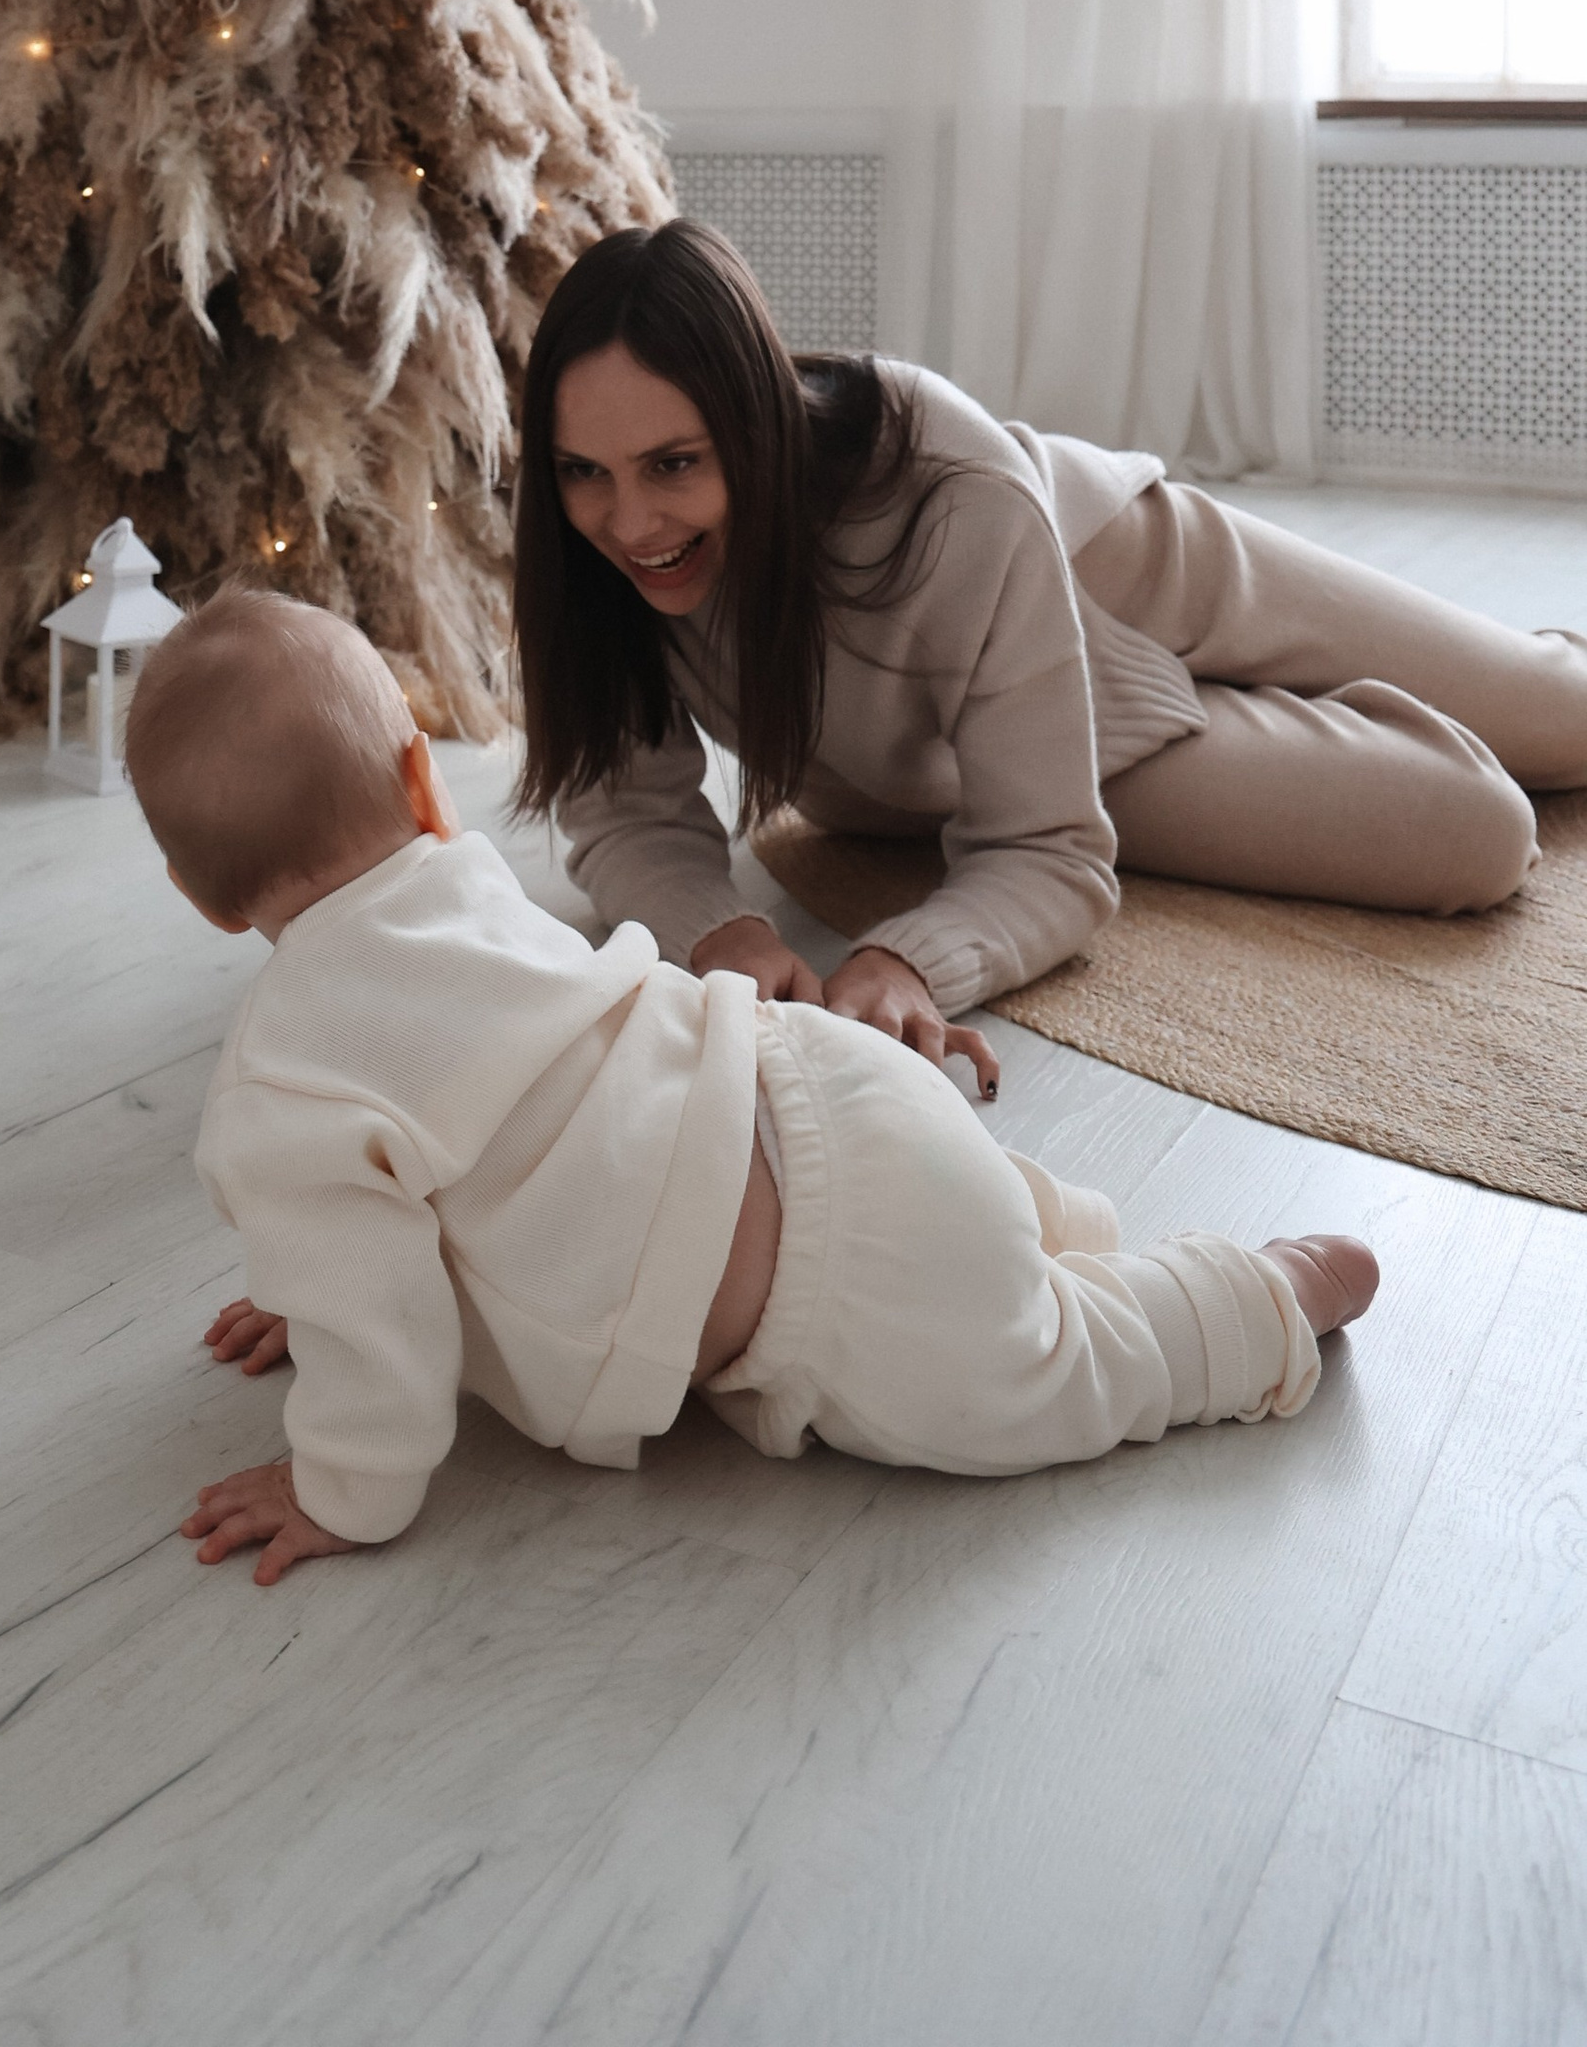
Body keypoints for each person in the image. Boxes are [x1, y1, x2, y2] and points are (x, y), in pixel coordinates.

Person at [131, 586, 1375, 1585]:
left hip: (828, 1277)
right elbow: (465, 1133)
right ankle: (1052, 1228)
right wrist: (315, 1286)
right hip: (808, 1073)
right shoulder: (461, 888)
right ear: (419, 782)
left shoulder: (280, 1084)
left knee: (1036, 1382)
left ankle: (1256, 1302)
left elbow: (376, 1285)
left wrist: (337, 1478)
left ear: (204, 898)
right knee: (979, 1233)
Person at [514, 223, 1587, 1085]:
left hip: (1116, 569)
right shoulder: (583, 538)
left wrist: (907, 958)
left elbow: (1050, 861)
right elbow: (623, 808)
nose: (629, 519)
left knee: (1560, 713)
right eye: (584, 472)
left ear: (751, 425)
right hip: (944, 760)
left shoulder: (945, 484)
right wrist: (719, 935)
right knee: (1479, 835)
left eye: (673, 463)